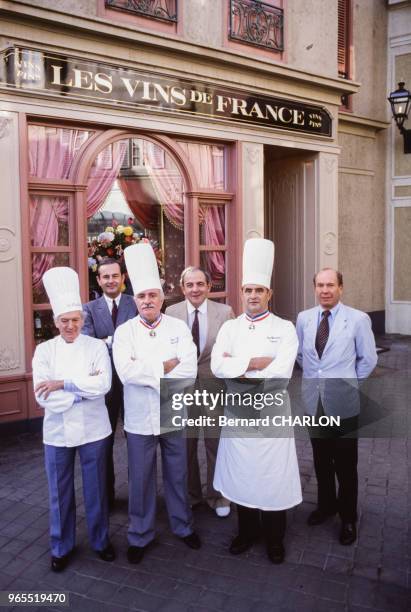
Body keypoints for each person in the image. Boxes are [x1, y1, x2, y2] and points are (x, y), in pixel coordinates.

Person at [211, 239, 302, 564]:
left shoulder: (285, 328)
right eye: (248, 289)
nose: (252, 295)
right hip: (238, 415)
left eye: (259, 290)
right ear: (242, 292)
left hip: (271, 416)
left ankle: (275, 538)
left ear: (269, 295)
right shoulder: (230, 327)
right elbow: (217, 366)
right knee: (243, 475)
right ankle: (246, 531)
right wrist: (255, 362)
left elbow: (281, 374)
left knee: (271, 476)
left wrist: (239, 365)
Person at [113, 243, 201, 565]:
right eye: (141, 297)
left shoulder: (178, 328)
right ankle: (140, 534)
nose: (147, 301)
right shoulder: (125, 333)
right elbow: (125, 373)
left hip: (173, 414)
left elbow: (189, 372)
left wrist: (147, 370)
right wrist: (165, 366)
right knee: (140, 478)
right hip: (137, 419)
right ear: (134, 300)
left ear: (163, 297)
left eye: (152, 295)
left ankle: (183, 525)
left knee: (177, 474)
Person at [32, 267, 115, 573]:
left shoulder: (96, 347)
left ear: (82, 321)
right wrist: (82, 388)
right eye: (64, 321)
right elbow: (43, 397)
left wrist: (63, 385)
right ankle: (61, 546)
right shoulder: (43, 352)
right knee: (59, 491)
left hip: (94, 429)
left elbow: (103, 386)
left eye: (75, 320)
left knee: (96, 489)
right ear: (56, 323)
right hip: (56, 432)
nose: (70, 325)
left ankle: (101, 540)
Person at [296, 268, 377, 545]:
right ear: (314, 287)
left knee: (345, 464)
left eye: (330, 285)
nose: (325, 290)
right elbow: (300, 355)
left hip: (343, 404)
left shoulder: (357, 319)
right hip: (313, 403)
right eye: (320, 285)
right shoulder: (304, 318)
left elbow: (368, 359)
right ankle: (326, 506)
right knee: (321, 460)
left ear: (341, 287)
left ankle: (348, 518)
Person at [165, 266, 234, 518]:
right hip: (181, 389)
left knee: (215, 443)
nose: (195, 289)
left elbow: (231, 350)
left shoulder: (225, 312)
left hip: (214, 386)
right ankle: (191, 495)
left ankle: (219, 495)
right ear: (182, 288)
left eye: (200, 284)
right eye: (190, 285)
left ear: (209, 286)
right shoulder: (171, 312)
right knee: (185, 444)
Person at [82, 258, 137, 509]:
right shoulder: (89, 308)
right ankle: (107, 496)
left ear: (123, 278)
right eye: (106, 277)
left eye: (115, 276)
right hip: (104, 386)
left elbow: (141, 343)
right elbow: (88, 345)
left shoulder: (135, 304)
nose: (111, 280)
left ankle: (139, 493)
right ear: (99, 280)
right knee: (104, 441)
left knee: (137, 441)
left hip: (134, 385)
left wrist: (106, 341)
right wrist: (120, 343)